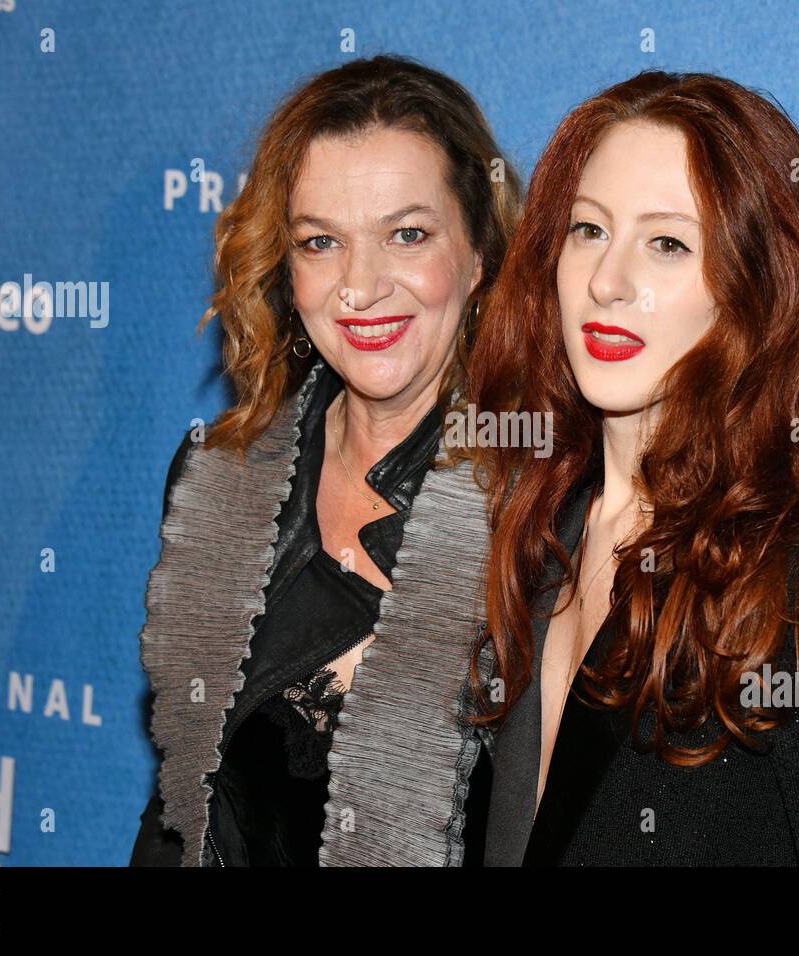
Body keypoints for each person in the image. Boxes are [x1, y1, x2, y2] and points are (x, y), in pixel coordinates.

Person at [465, 70, 799, 866]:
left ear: (753, 290)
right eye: (588, 230)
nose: (607, 281)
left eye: (667, 244)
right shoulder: (541, 527)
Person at [130, 55, 520, 866]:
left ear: (479, 253)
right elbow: (180, 816)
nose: (360, 286)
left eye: (407, 235)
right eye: (321, 242)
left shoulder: (541, 509)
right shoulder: (220, 480)